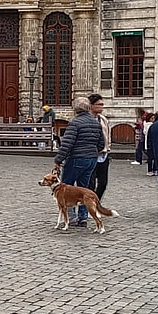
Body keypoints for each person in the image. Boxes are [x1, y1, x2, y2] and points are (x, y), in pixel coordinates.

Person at [53, 94, 106, 225]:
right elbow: (101, 144)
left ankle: (70, 217)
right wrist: (92, 151)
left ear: (75, 109)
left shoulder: (75, 123)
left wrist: (58, 160)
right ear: (88, 108)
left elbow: (67, 144)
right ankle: (83, 217)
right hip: (91, 159)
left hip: (76, 158)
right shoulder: (96, 123)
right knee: (84, 188)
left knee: (66, 187)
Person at [88, 93, 112, 204]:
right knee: (91, 183)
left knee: (103, 183)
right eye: (99, 104)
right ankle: (90, 204)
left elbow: (107, 134)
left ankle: (95, 202)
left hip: (104, 154)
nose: (102, 107)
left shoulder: (103, 119)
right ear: (91, 105)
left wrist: (108, 148)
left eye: (102, 104)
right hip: (91, 155)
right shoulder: (86, 119)